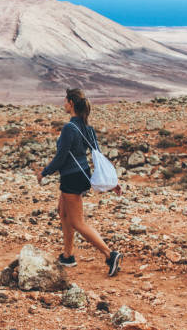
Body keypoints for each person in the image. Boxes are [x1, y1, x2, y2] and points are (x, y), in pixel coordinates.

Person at [36, 88, 123, 276]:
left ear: (72, 104)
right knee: (63, 212)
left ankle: (110, 254)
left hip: (72, 177)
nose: (63, 104)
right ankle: (67, 256)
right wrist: (112, 181)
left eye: (65, 101)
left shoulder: (69, 128)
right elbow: (98, 155)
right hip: (81, 174)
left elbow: (61, 157)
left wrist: (44, 172)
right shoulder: (86, 127)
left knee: (77, 222)